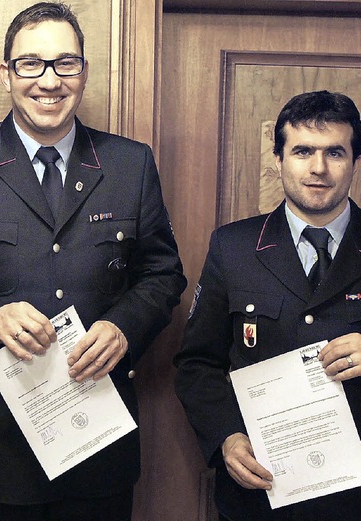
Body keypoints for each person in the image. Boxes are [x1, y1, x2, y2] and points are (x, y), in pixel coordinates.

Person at [0, 2, 186, 520]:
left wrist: (123, 326)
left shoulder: (129, 163)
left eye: (65, 63)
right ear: (6, 73)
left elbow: (163, 274)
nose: (49, 81)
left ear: (84, 72)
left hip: (98, 445)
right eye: (31, 63)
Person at [174, 90, 361, 521]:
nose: (318, 168)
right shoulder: (233, 247)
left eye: (335, 151)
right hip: (260, 497)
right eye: (302, 151)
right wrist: (226, 437)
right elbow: (197, 363)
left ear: (354, 161)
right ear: (277, 160)